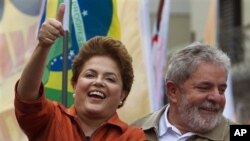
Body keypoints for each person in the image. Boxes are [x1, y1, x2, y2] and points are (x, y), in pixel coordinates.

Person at [14, 3, 146, 141]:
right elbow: (26, 98)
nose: (98, 82)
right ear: (75, 85)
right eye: (90, 75)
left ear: (123, 95)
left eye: (110, 79)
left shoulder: (134, 138)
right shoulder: (50, 120)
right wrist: (43, 46)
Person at [131, 42, 236, 141]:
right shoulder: (133, 131)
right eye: (204, 87)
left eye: (222, 90)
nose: (217, 97)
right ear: (173, 91)